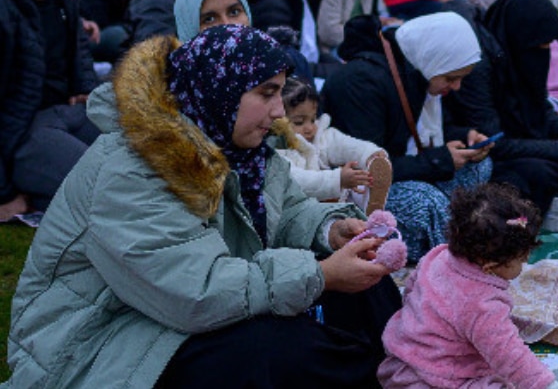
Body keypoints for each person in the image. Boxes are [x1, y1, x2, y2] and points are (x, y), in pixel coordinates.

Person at [5, 24, 401, 388]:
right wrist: (320, 274)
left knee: (367, 287)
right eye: (266, 92)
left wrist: (329, 231)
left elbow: (288, 210)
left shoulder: (239, 148)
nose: (279, 110)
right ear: (220, 89)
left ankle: (402, 375)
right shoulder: (133, 167)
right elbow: (196, 293)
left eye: (280, 91)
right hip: (93, 345)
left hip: (164, 315)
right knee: (279, 349)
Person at [378, 182, 558, 389]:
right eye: (521, 258)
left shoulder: (438, 255)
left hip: (400, 364)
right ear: (490, 265)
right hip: (438, 380)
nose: (526, 262)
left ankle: (536, 374)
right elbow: (507, 353)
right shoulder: (483, 304)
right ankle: (541, 379)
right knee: (504, 377)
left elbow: (409, 293)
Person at [322, 12, 492, 261]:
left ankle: (440, 237)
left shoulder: (415, 72)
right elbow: (371, 168)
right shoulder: (362, 81)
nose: (456, 87)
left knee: (478, 167)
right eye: (451, 78)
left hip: (403, 169)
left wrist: (465, 138)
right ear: (434, 59)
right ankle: (448, 262)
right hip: (358, 190)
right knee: (425, 201)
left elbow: (418, 135)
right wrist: (441, 160)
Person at [447, 0, 558, 219]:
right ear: (519, 38)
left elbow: (541, 114)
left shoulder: (520, 57)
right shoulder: (479, 69)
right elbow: (494, 142)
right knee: (535, 173)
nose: (543, 54)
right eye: (539, 47)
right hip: (487, 157)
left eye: (548, 47)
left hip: (519, 143)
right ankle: (555, 204)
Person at [0, 0, 98, 219]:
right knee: (102, 187)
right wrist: (3, 193)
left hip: (68, 111)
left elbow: (78, 46)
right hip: (22, 132)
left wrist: (85, 88)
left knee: (143, 156)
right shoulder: (4, 9)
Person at [276, 76, 392, 214]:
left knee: (361, 181)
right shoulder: (276, 150)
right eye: (299, 122)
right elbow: (297, 180)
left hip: (328, 205)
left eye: (313, 119)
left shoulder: (320, 135)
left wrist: (369, 154)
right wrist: (337, 179)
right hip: (295, 214)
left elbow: (344, 145)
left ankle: (372, 213)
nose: (310, 128)